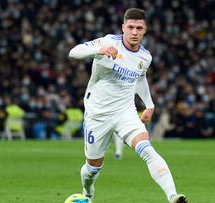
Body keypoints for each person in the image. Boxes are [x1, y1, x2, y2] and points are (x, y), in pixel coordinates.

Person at [68, 8, 187, 203]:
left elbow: (140, 78)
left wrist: (149, 103)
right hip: (98, 113)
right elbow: (74, 52)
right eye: (130, 27)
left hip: (125, 112)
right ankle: (87, 193)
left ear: (145, 30)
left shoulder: (145, 57)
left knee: (147, 149)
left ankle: (173, 196)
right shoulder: (108, 42)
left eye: (139, 28)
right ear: (123, 27)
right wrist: (99, 50)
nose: (134, 32)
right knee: (92, 168)